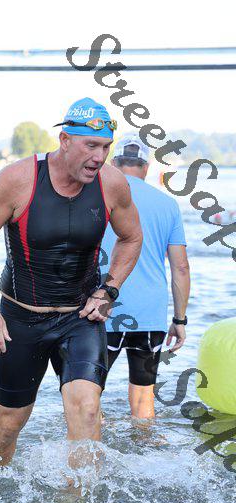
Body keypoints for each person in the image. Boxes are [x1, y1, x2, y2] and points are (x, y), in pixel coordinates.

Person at [0, 98, 143, 469]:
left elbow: (132, 237)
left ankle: (77, 501)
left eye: (106, 147)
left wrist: (108, 290)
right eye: (91, 146)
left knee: (87, 410)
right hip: (20, 320)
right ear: (65, 140)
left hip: (81, 318)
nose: (99, 157)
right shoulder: (18, 179)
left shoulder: (112, 183)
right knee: (9, 423)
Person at [100, 134, 190, 419]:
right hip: (150, 313)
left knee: (87, 393)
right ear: (147, 167)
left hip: (102, 308)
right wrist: (179, 320)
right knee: (143, 397)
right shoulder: (168, 204)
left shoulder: (99, 197)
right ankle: (144, 443)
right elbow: (181, 268)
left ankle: (90, 445)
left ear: (113, 164)